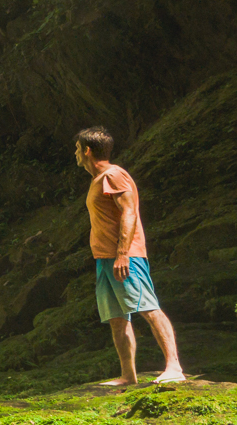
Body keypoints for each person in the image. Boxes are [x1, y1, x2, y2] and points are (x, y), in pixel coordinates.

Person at [74, 126, 183, 386]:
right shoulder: (98, 180)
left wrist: (123, 253)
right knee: (116, 318)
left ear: (87, 151)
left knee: (148, 308)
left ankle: (174, 367)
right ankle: (128, 375)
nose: (75, 154)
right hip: (104, 259)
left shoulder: (114, 175)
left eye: (77, 149)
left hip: (125, 257)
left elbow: (129, 213)